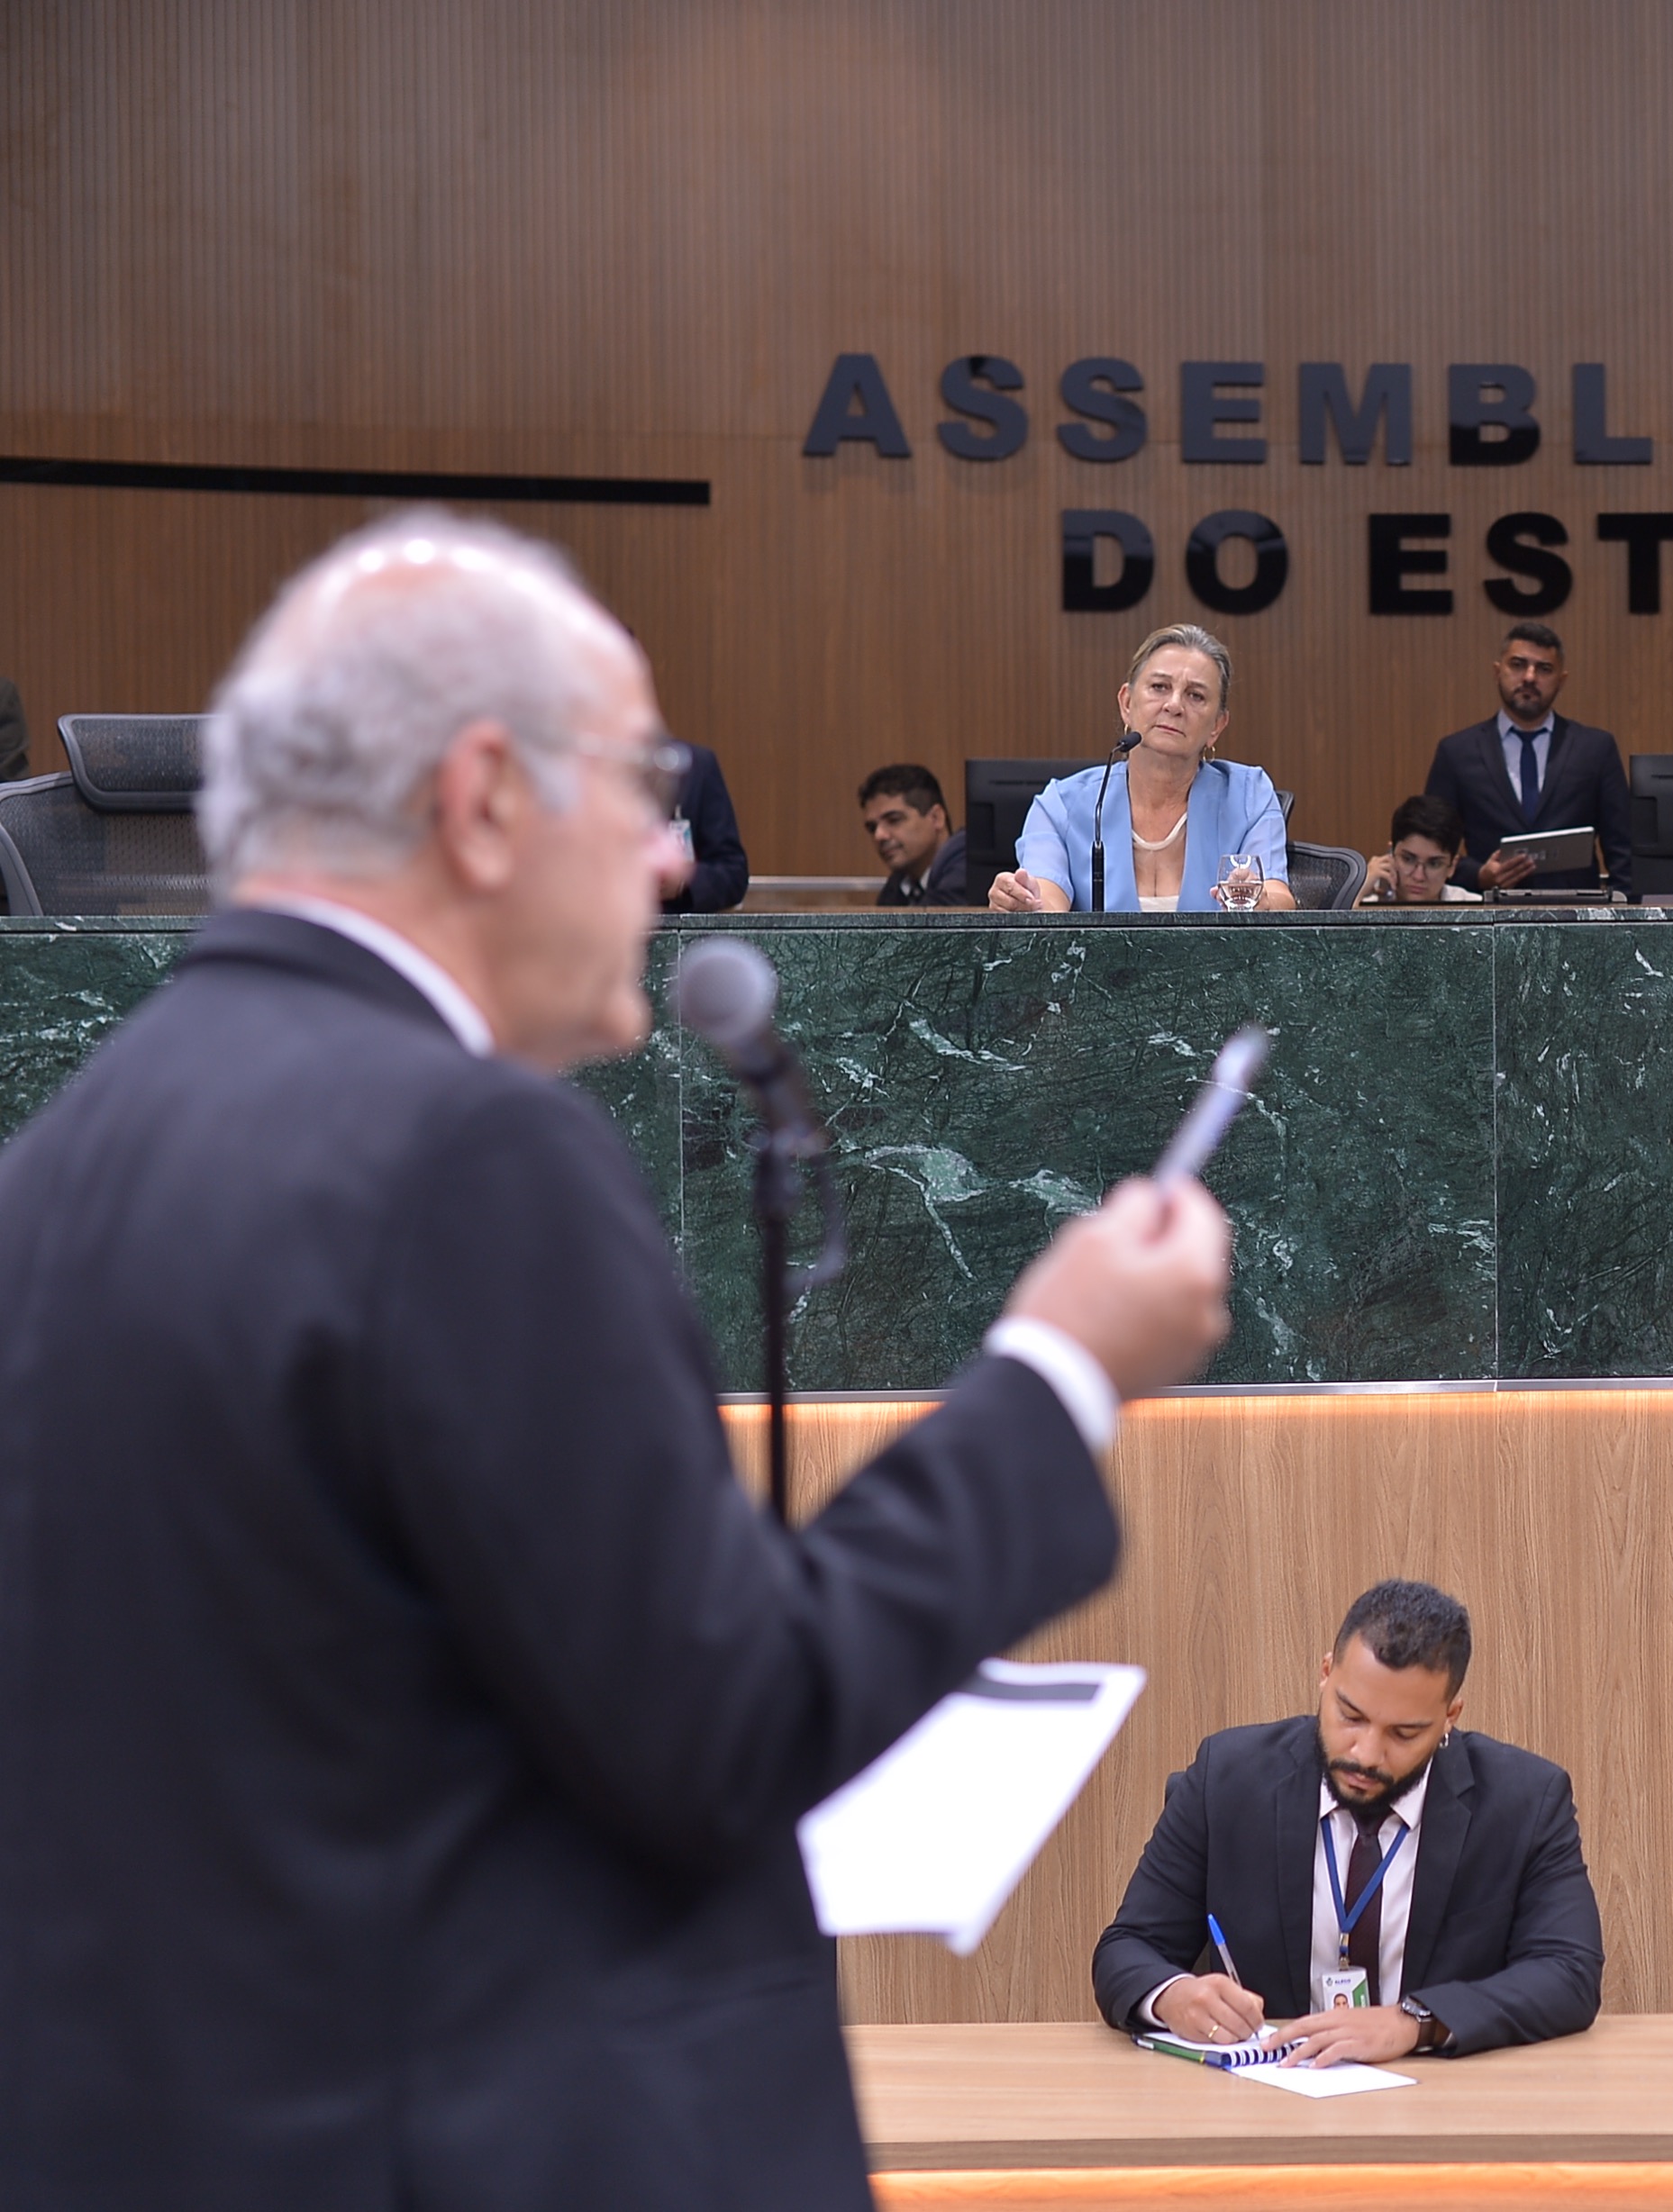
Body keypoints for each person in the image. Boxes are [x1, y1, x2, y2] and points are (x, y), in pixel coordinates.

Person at [0, 512, 1236, 2209]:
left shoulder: (63, 1155)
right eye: (638, 784)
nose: (668, 856)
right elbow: (721, 1724)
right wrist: (1062, 1373)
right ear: (484, 798)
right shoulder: (466, 1154)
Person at [1091, 1579, 1604, 2065]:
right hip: (1267, 2091)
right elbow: (1128, 1947)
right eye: (1350, 1716)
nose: (1366, 1754)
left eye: (1404, 1733)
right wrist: (1174, 1996)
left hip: (1439, 2096)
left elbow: (1568, 1972)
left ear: (1450, 1715)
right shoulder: (1226, 1780)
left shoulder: (1525, 1801)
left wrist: (1415, 2022)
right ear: (1326, 1673)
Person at [990, 622, 1295, 911]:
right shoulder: (1061, 806)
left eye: (1196, 695)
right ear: (1126, 703)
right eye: (1160, 687)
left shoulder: (1249, 797)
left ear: (1217, 725)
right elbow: (1046, 901)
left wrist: (1263, 904)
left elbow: (1278, 894)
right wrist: (1024, 903)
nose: (1174, 705)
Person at [1420, 621, 1632, 895]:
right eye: (1518, 665)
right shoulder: (1457, 752)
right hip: (1488, 913)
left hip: (1576, 913)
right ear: (1497, 672)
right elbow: (1431, 845)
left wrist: (1622, 915)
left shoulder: (1595, 749)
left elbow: (1624, 849)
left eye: (1544, 669)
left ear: (1561, 680)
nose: (1530, 677)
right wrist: (1479, 875)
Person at [861, 761, 975, 906]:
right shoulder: (896, 888)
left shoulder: (968, 873)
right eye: (872, 828)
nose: (879, 836)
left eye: (894, 820)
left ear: (936, 818)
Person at [658, 738, 750, 912]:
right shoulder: (599, 770)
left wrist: (684, 881)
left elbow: (733, 874)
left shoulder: (694, 767)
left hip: (674, 922)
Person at [1363, 792, 1483, 904]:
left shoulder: (1477, 909)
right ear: (1391, 855)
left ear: (1452, 866)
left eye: (1434, 864)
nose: (1419, 877)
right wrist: (1358, 890)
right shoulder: (1363, 901)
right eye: (1408, 859)